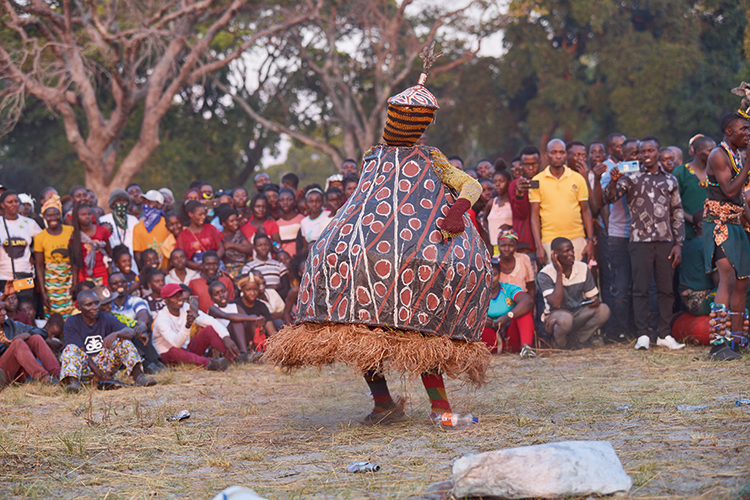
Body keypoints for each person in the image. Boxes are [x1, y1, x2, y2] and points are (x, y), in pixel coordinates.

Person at [266, 46, 491, 425]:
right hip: (370, 263)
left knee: (422, 336)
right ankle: (383, 403)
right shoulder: (374, 157)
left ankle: (440, 409)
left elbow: (470, 186)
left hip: (418, 261)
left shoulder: (432, 159)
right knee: (364, 339)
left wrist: (455, 212)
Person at [603, 135, 685, 351]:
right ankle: (642, 335)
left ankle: (664, 334)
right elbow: (609, 198)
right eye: (642, 152)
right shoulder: (631, 177)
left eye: (650, 151)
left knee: (666, 290)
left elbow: (677, 213)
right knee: (640, 289)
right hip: (639, 242)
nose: (646, 155)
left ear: (658, 152)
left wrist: (679, 244)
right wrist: (613, 180)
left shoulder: (670, 180)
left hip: (666, 242)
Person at [702, 105, 750, 361]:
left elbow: (741, 197)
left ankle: (738, 341)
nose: (748, 134)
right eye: (744, 129)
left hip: (736, 223)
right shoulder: (718, 155)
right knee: (728, 278)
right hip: (719, 224)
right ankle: (718, 344)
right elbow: (731, 191)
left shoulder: (738, 155)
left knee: (743, 281)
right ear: (728, 131)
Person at [59, 290, 156, 393]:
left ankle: (139, 377)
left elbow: (130, 332)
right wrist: (99, 374)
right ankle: (73, 384)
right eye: (89, 305)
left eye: (96, 303)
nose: (95, 307)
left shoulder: (105, 317)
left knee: (122, 341)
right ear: (79, 308)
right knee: (71, 348)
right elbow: (81, 353)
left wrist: (116, 334)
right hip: (84, 369)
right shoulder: (72, 322)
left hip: (105, 365)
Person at [594, 136, 639, 342]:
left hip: (643, 235)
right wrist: (612, 179)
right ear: (623, 155)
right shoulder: (617, 170)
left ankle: (638, 329)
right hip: (619, 234)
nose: (638, 157)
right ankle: (618, 332)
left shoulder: (649, 171)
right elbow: (602, 200)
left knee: (641, 285)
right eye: (632, 153)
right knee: (619, 285)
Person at [530, 139, 596, 265]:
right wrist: (538, 246)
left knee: (578, 281)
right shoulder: (537, 180)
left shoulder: (578, 178)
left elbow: (586, 211)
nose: (558, 156)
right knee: (555, 282)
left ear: (566, 155)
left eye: (561, 152)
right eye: (554, 152)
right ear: (546, 155)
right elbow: (534, 215)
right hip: (549, 241)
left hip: (576, 239)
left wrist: (590, 240)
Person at [537, 237, 611, 349]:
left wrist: (594, 301)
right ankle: (560, 346)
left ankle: (577, 341)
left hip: (577, 313)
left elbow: (591, 296)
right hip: (556, 316)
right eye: (566, 251)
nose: (572, 254)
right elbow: (556, 304)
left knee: (603, 310)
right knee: (565, 319)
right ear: (555, 255)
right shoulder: (545, 274)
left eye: (572, 250)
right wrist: (559, 272)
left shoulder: (582, 268)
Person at [152, 283, 238, 370]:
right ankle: (209, 363)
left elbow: (211, 321)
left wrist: (225, 337)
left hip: (187, 351)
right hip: (169, 357)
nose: (179, 298)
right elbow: (176, 344)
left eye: (180, 294)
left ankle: (235, 357)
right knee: (174, 350)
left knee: (209, 330)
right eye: (174, 296)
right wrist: (187, 326)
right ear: (165, 301)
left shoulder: (187, 307)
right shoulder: (161, 319)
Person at [108, 273, 163, 372]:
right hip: (116, 342)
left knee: (135, 331)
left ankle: (154, 363)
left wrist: (141, 325)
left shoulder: (136, 301)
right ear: (109, 287)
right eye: (115, 283)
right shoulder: (107, 305)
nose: (120, 285)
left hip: (134, 334)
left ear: (127, 284)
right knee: (127, 333)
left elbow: (143, 316)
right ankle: (150, 364)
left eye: (122, 282)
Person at [482, 259, 535, 357]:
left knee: (524, 311)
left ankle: (526, 349)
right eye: (487, 275)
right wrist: (481, 321)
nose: (491, 278)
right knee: (475, 323)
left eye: (494, 274)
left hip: (511, 338)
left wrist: (508, 317)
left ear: (500, 275)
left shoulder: (508, 289)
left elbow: (528, 301)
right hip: (489, 343)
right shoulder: (477, 293)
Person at [34, 194, 75, 318]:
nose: (53, 218)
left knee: (71, 313)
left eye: (56, 214)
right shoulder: (40, 237)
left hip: (69, 278)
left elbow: (76, 260)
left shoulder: (70, 231)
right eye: (49, 215)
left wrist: (75, 283)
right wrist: (43, 291)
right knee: (53, 313)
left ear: (61, 215)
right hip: (51, 280)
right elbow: (40, 266)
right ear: (44, 217)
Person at [0, 301, 60, 385]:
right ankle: (44, 378)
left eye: (4, 309)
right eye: (0, 310)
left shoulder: (11, 325)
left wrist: (26, 334)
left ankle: (58, 375)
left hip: (19, 373)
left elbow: (43, 332)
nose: (4, 313)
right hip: (2, 375)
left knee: (35, 338)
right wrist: (10, 345)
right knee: (18, 343)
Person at [0, 190, 43, 305]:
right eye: (10, 202)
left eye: (16, 201)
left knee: (26, 308)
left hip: (25, 275)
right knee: (8, 310)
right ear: (2, 205)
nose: (14, 204)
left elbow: (43, 241)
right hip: (4, 276)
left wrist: (33, 255)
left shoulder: (29, 223)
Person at [673, 135, 715, 240]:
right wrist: (695, 221)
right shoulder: (681, 172)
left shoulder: (716, 172)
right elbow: (673, 204)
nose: (714, 154)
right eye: (710, 151)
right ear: (699, 151)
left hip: (713, 230)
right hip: (688, 232)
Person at [507, 146, 541, 257]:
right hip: (526, 244)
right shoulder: (515, 184)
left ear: (539, 163)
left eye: (534, 164)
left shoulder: (546, 181)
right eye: (527, 165)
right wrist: (520, 194)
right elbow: (520, 215)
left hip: (547, 238)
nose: (531, 168)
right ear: (521, 165)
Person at [69, 202, 112, 288]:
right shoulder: (76, 237)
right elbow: (75, 263)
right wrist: (74, 285)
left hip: (103, 274)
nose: (87, 216)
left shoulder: (102, 231)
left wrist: (111, 277)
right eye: (83, 214)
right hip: (84, 276)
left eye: (89, 214)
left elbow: (109, 254)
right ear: (77, 217)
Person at [175, 200, 224, 270]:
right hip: (195, 269)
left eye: (205, 214)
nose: (204, 217)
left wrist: (213, 261)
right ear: (191, 214)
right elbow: (181, 258)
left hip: (215, 265)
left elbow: (221, 248)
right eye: (200, 214)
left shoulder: (210, 228)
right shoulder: (183, 235)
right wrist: (198, 266)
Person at [99, 189, 139, 272]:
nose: (122, 204)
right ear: (113, 204)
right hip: (112, 264)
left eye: (124, 201)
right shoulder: (103, 220)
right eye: (118, 201)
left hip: (131, 264)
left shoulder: (133, 220)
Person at [234, 274, 277, 350]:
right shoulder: (235, 304)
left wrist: (277, 344)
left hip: (260, 337)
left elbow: (271, 329)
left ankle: (261, 349)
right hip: (241, 339)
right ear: (242, 289)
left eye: (255, 289)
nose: (252, 293)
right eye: (248, 290)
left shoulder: (261, 305)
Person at [241, 234, 290, 300]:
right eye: (259, 245)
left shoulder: (279, 265)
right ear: (254, 247)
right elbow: (248, 289)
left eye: (266, 245)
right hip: (257, 301)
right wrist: (272, 288)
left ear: (270, 246)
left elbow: (286, 288)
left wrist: (273, 298)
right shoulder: (248, 267)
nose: (263, 248)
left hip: (278, 300)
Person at [133, 190, 170, 268]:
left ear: (159, 205)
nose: (146, 206)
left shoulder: (167, 224)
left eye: (149, 203)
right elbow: (137, 253)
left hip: (166, 271)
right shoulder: (138, 227)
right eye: (145, 203)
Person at [482, 170, 513, 253]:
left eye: (501, 181)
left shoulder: (513, 202)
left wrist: (511, 227)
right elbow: (484, 219)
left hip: (510, 246)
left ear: (509, 182)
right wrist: (490, 232)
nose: (497, 184)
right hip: (495, 247)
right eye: (494, 182)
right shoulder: (492, 203)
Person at [218, 206, 252, 278]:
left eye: (236, 220)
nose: (236, 223)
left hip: (243, 269)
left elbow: (250, 249)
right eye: (232, 221)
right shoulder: (219, 237)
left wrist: (232, 245)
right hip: (227, 271)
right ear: (224, 224)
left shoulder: (239, 234)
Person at [276, 187, 305, 257]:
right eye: (282, 200)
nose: (285, 203)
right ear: (278, 202)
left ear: (294, 202)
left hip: (300, 257)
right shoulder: (276, 223)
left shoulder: (302, 219)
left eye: (289, 200)